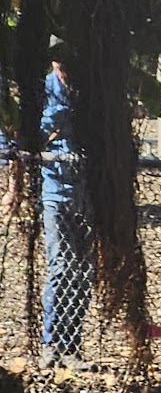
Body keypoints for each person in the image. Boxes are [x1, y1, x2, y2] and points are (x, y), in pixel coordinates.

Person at [39, 64, 89, 367]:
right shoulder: (43, 89)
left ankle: (72, 345)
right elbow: (24, 132)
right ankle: (51, 343)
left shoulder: (91, 88)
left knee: (83, 274)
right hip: (56, 192)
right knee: (61, 267)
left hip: (88, 196)